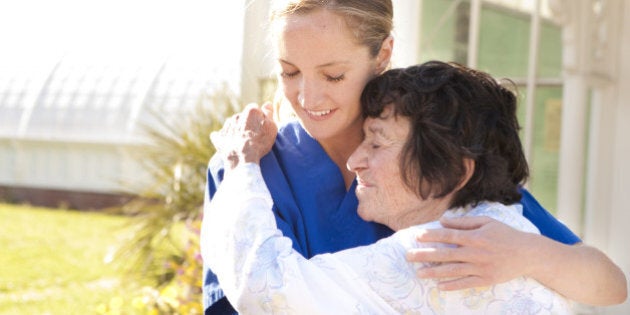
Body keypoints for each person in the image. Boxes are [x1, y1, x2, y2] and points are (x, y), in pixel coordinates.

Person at [201, 0, 627, 313]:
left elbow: (608, 284)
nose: (308, 97)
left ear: (382, 54)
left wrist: (529, 253)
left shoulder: (435, 153)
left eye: (334, 75)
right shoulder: (243, 168)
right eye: (289, 72)